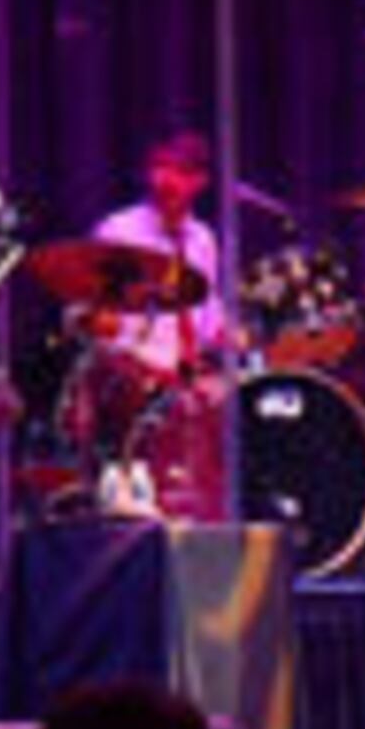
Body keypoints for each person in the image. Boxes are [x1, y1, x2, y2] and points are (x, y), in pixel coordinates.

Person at [73, 130, 240, 520]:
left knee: (233, 396)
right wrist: (102, 323)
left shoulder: (204, 240)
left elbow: (207, 318)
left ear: (199, 181)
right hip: (131, 365)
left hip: (184, 372)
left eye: (177, 171)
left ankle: (209, 511)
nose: (163, 180)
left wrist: (233, 335)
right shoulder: (119, 232)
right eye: (158, 167)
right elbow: (93, 310)